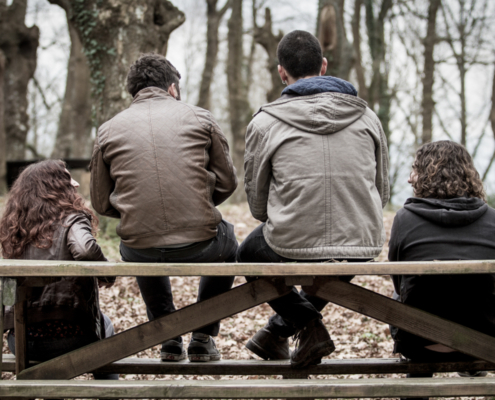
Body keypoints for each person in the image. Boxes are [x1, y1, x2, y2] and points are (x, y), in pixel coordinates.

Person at [237, 30, 389, 368]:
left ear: (281, 72)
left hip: (291, 240)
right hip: (361, 240)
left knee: (248, 252)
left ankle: (302, 328)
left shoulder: (264, 122)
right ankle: (279, 334)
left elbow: (258, 206)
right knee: (350, 247)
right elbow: (383, 191)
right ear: (323, 66)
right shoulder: (368, 117)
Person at [90, 53, 238, 363]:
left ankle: (168, 335)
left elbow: (101, 202)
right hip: (201, 243)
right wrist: (198, 204)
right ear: (172, 88)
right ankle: (202, 335)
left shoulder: (107, 131)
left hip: (139, 248)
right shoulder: (201, 118)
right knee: (228, 240)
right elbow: (228, 182)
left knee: (137, 238)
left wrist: (135, 210)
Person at [388, 141, 495, 394]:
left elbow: (397, 282)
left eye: (414, 169)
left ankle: (417, 389)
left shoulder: (404, 218)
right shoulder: (493, 219)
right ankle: (471, 365)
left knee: (400, 296)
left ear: (427, 174)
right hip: (486, 339)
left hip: (419, 343)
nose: (409, 178)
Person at [0, 160, 117, 381]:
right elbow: (85, 249)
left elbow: (6, 291)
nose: (75, 184)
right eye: (67, 178)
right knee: (107, 329)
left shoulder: (14, 227)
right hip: (70, 338)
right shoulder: (71, 218)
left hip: (20, 340)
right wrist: (107, 274)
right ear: (53, 186)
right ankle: (108, 392)